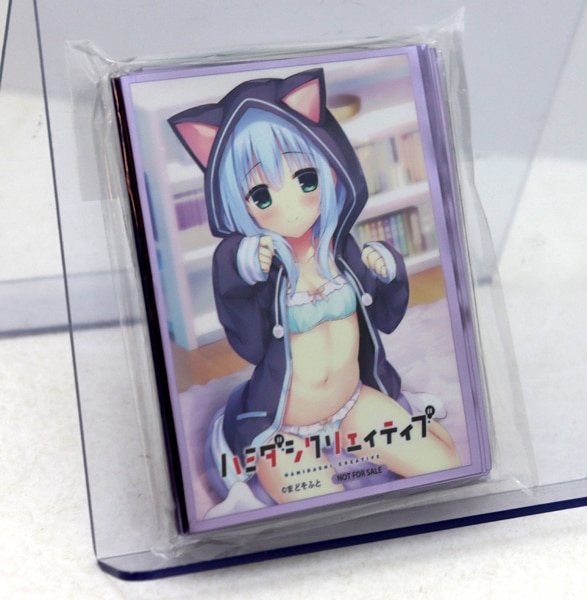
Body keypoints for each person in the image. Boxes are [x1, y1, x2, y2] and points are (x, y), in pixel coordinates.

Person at [169, 68, 459, 508]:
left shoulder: (341, 251)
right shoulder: (256, 263)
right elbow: (246, 336)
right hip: (281, 425)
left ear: (332, 170)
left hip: (352, 402)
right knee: (323, 509)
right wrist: (243, 267)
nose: (290, 209)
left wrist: (389, 272)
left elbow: (383, 318)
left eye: (306, 181)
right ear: (236, 204)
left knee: (443, 467)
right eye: (261, 197)